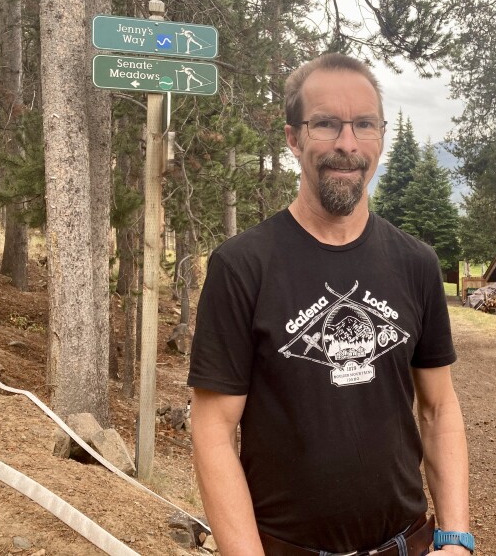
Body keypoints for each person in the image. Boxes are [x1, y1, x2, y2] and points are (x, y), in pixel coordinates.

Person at [188, 53, 473, 556]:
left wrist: (456, 538)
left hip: (407, 546)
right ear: (293, 138)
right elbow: (213, 430)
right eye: (326, 124)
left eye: (364, 124)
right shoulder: (242, 266)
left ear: (380, 138)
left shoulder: (416, 264)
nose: (347, 144)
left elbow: (438, 407)